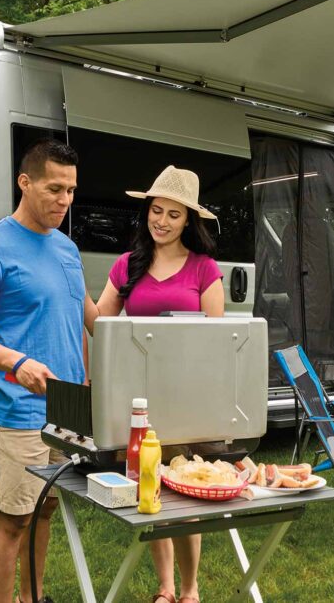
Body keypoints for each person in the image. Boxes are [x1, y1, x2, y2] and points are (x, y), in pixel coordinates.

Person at [0, 138, 95, 603]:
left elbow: (86, 318)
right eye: (54, 189)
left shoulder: (67, 249)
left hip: (66, 408)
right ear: (24, 182)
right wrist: (17, 361)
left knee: (46, 509)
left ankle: (32, 598)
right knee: (12, 519)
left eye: (70, 191)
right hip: (17, 409)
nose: (64, 201)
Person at [92, 165, 223, 603]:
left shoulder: (206, 269)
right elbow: (103, 328)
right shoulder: (128, 265)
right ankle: (166, 587)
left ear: (189, 221)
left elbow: (216, 342)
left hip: (188, 399)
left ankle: (190, 589)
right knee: (153, 488)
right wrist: (74, 292)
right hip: (139, 399)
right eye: (156, 210)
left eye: (173, 214)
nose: (161, 221)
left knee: (185, 495)